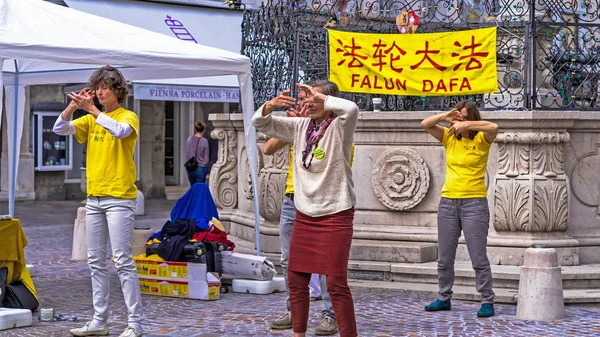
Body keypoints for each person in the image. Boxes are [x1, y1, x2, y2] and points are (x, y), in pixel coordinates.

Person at [253, 80, 359, 337]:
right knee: (296, 277)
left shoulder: (339, 127)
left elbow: (352, 109)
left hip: (336, 213)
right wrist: (269, 105)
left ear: (328, 103)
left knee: (335, 283)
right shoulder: (300, 126)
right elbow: (261, 125)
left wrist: (322, 98)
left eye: (314, 100)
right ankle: (298, 333)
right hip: (304, 212)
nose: (308, 103)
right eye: (306, 99)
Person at [53, 66, 143, 337]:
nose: (100, 92)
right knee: (95, 262)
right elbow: (59, 128)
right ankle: (99, 321)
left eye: (105, 87)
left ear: (118, 90)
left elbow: (119, 131)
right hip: (94, 198)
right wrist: (72, 107)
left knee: (123, 261)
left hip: (119, 198)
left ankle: (134, 324)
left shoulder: (129, 116)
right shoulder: (92, 120)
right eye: (98, 87)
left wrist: (92, 110)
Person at [420, 100, 499, 318]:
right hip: (448, 202)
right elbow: (425, 124)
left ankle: (487, 300)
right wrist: (445, 116)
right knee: (445, 257)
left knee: (478, 257)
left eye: (464, 116)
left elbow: (494, 128)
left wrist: (469, 125)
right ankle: (444, 298)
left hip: (474, 203)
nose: (460, 120)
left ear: (472, 117)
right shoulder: (448, 137)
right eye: (459, 116)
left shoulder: (482, 138)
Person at [185, 121, 210, 185]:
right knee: (199, 189)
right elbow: (206, 157)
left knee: (193, 188)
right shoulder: (204, 141)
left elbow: (187, 154)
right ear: (203, 130)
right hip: (201, 168)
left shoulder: (189, 139)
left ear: (195, 129)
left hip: (191, 167)